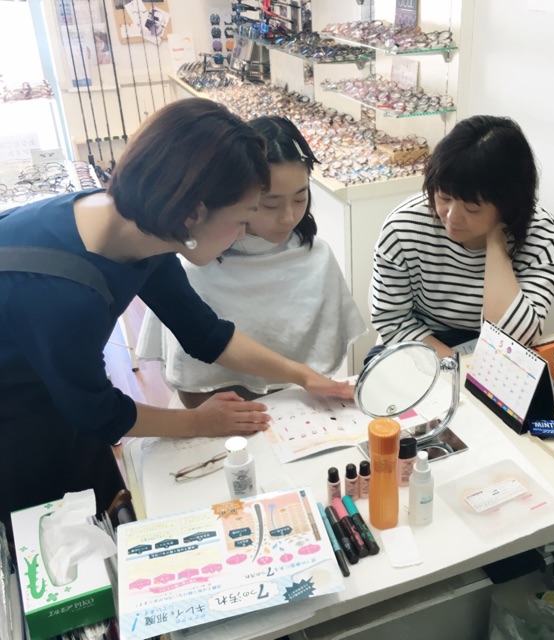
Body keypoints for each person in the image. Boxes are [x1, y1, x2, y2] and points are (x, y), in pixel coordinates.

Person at [0, 98, 351, 535]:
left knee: (105, 508)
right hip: (15, 415)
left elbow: (203, 332)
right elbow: (98, 413)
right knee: (48, 532)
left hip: (57, 386)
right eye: (242, 221)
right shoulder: (66, 295)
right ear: (194, 212)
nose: (243, 235)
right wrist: (196, 422)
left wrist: (303, 375)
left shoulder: (141, 226)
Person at [136, 115, 366, 407]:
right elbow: (195, 381)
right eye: (270, 204)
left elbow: (320, 365)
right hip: (219, 412)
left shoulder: (317, 256)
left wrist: (301, 380)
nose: (288, 217)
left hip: (300, 408)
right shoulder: (191, 264)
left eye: (300, 199)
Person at [370, 114, 554, 360]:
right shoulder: (404, 226)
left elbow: (516, 338)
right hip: (419, 342)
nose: (452, 216)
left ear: (509, 205)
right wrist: (456, 366)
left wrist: (497, 246)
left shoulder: (544, 237)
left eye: (472, 208)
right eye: (444, 197)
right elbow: (391, 319)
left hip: (493, 351)